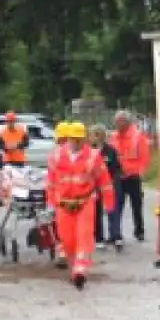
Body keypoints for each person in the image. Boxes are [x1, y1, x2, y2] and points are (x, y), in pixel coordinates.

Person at [46, 121, 113, 289]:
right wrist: (50, 203)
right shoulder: (55, 156)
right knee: (67, 239)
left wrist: (108, 202)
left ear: (83, 139)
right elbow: (51, 182)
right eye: (73, 139)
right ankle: (73, 265)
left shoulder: (93, 156)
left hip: (85, 202)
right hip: (63, 204)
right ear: (67, 138)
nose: (75, 142)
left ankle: (80, 271)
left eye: (78, 139)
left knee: (84, 237)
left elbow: (104, 181)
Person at [110, 111, 152, 244]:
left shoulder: (138, 136)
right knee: (117, 206)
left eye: (120, 121)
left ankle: (139, 231)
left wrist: (139, 172)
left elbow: (144, 157)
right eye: (116, 121)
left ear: (127, 122)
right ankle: (115, 234)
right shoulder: (113, 137)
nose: (117, 123)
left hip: (133, 176)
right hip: (118, 177)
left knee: (136, 205)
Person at [88, 123, 124, 249]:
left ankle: (116, 236)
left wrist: (114, 181)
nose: (90, 138)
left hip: (109, 184)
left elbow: (117, 168)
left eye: (92, 135)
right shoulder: (88, 151)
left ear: (99, 136)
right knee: (96, 211)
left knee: (113, 210)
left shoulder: (110, 150)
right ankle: (98, 238)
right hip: (94, 185)